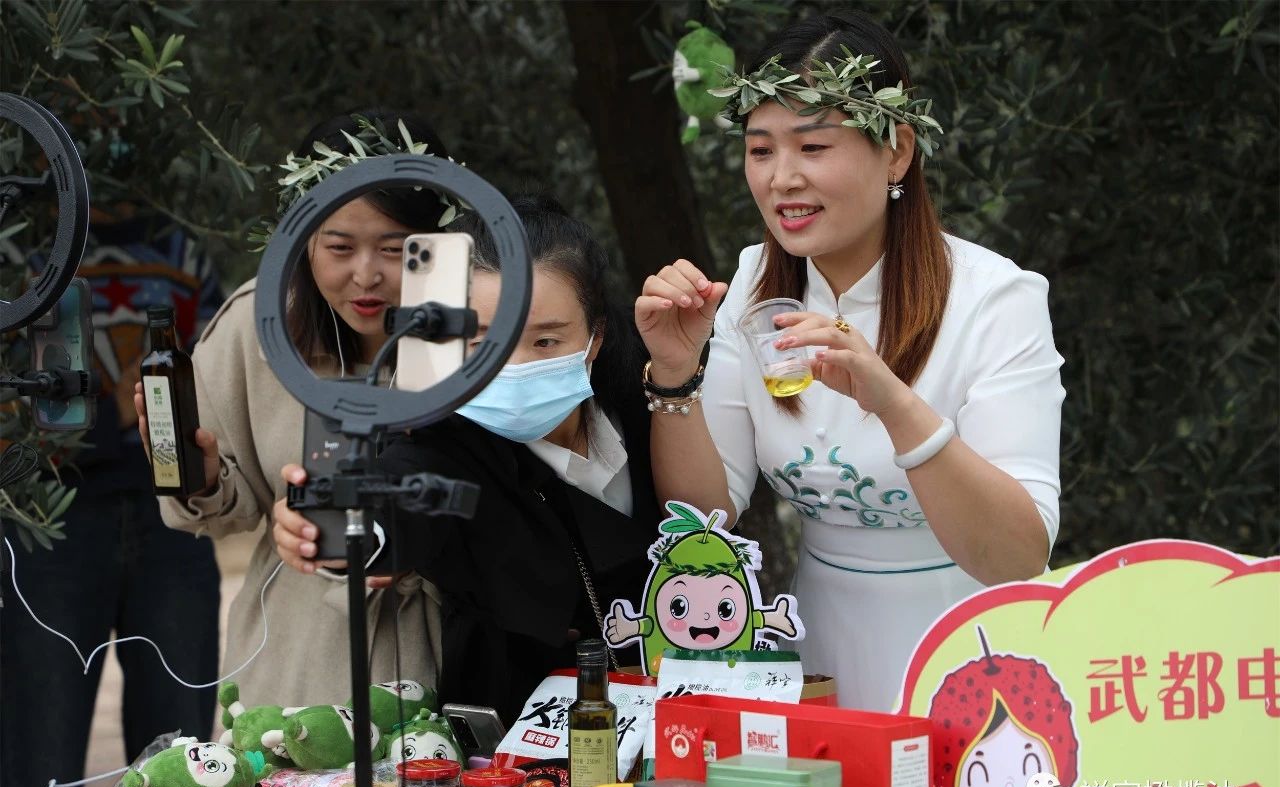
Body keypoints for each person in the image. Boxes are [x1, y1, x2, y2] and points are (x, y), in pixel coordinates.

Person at [635, 10, 1065, 712]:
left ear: (897, 151)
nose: (782, 178)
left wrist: (892, 402)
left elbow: (1018, 557)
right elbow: (707, 513)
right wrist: (677, 374)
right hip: (815, 656)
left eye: (813, 146)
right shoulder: (752, 284)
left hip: (972, 658)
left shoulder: (995, 299)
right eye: (760, 150)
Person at [274, 195, 660, 724]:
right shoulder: (442, 443)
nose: (513, 368)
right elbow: (399, 502)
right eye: (482, 345)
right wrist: (341, 527)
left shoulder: (649, 397)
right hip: (524, 739)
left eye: (545, 341)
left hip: (682, 710)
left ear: (596, 336)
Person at [134, 109, 453, 708]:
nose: (366, 275)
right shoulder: (257, 328)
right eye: (339, 247)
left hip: (449, 645)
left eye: (394, 248)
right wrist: (203, 478)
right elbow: (222, 512)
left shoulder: (485, 328)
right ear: (302, 241)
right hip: (299, 657)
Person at [0, 211, 222, 787]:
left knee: (181, 758)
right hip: (51, 515)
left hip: (171, 511)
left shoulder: (184, 247)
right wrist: (114, 414)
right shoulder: (27, 249)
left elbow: (212, 377)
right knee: (40, 750)